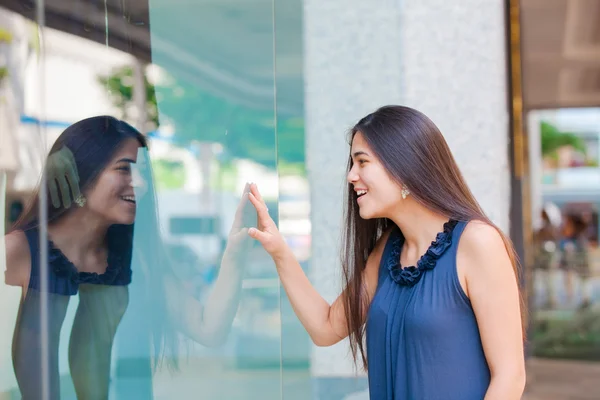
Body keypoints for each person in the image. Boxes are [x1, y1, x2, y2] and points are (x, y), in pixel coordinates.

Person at [247, 106, 526, 399]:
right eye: (352, 164)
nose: (351, 176)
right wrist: (280, 252)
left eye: (362, 162)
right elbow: (326, 328)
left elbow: (510, 377)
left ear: (404, 167)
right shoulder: (388, 251)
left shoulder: (478, 242)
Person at [3, 116, 249, 399]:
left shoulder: (132, 258)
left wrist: (235, 252)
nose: (141, 184)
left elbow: (209, 329)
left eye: (143, 171)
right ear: (81, 174)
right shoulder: (17, 253)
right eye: (124, 169)